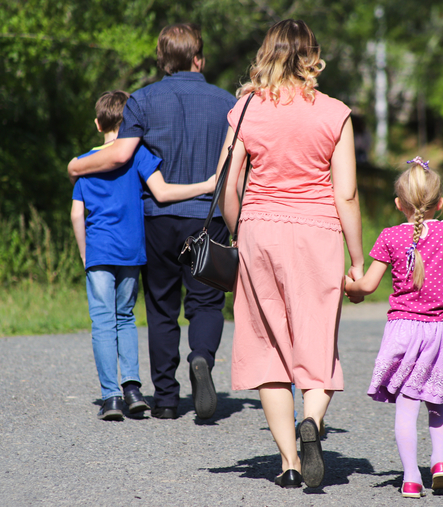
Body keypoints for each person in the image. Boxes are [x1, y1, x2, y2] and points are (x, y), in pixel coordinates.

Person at [216, 20, 364, 489]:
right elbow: (347, 194)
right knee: (316, 339)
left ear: (267, 53)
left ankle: (289, 463)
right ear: (312, 56)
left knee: (268, 345)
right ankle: (313, 423)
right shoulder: (335, 113)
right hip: (319, 233)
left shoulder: (245, 111)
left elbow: (228, 183)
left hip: (260, 228)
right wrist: (358, 261)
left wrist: (240, 232)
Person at [68, 24, 236, 421]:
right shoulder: (228, 103)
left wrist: (75, 164)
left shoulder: (141, 101)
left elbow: (119, 154)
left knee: (161, 306)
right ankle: (201, 358)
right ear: (200, 58)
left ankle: (164, 399)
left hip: (157, 220)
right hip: (208, 217)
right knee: (206, 302)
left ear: (161, 60)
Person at [344, 156, 443, 498]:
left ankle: (411, 478)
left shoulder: (389, 237)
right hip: (439, 332)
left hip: (404, 331)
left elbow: (365, 287)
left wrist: (346, 284)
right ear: (440, 203)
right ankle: (439, 462)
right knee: (438, 402)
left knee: (407, 407)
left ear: (399, 204)